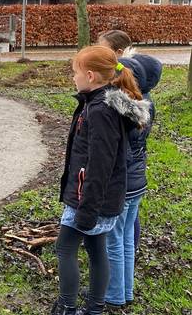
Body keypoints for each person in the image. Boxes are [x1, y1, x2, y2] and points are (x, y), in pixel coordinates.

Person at [51, 46, 151, 315]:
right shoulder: (97, 104)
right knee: (97, 248)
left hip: (90, 198)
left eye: (75, 73)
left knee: (65, 248)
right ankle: (95, 308)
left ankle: (68, 307)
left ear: (91, 76)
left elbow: (101, 164)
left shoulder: (100, 111)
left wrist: (88, 209)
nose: (73, 77)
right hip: (95, 197)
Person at [102, 52, 162, 309]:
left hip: (122, 183)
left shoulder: (122, 109)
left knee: (113, 240)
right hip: (138, 181)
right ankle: (125, 291)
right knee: (125, 238)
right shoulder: (146, 103)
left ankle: (114, 294)